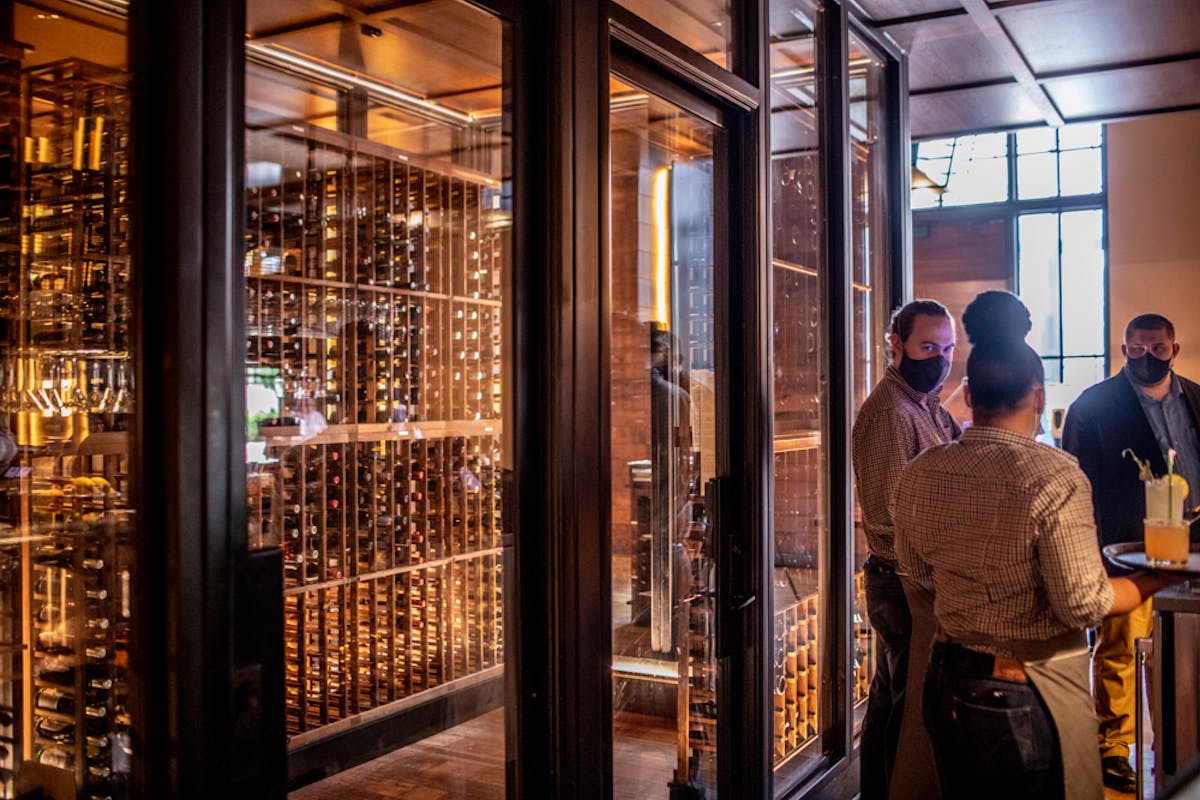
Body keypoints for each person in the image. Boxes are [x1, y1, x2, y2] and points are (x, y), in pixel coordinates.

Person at [894, 307, 1181, 799]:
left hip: (946, 675)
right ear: (1037, 396)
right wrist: (1157, 574)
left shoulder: (924, 469)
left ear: (970, 393)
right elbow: (1082, 604)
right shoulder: (1053, 474)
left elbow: (915, 567)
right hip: (1027, 684)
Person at [1061, 313, 1200, 792]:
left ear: (1174, 350)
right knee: (1120, 649)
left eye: (1157, 350)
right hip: (1127, 549)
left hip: (1195, 545)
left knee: (1185, 651)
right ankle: (1114, 747)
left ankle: (1181, 748)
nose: (1146, 359)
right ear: (1124, 350)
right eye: (1136, 350)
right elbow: (1078, 485)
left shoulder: (1199, 399)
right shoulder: (1093, 407)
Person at [851, 299, 958, 800]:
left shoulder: (929, 404)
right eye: (927, 347)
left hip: (919, 578)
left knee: (889, 700)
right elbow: (888, 521)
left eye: (948, 348)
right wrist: (939, 570)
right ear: (897, 344)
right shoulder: (889, 414)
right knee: (904, 706)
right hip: (901, 581)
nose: (939, 358)